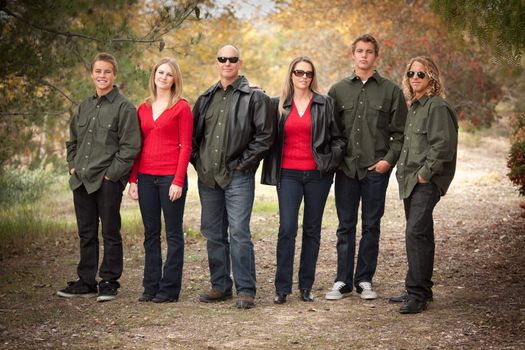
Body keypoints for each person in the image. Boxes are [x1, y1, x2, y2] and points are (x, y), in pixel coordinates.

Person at [325, 34, 408, 301]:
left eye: (369, 51)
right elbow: (330, 131)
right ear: (353, 55)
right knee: (345, 226)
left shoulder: (391, 91)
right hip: (347, 170)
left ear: (376, 56)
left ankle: (364, 280)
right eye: (359, 51)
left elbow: (400, 134)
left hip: (376, 171)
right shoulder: (337, 91)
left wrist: (388, 161)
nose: (364, 55)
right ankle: (342, 280)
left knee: (371, 225)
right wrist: (336, 160)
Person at [191, 44, 273, 309]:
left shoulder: (254, 97)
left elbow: (265, 136)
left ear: (240, 62)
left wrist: (243, 165)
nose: (227, 63)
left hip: (238, 176)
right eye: (222, 59)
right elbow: (193, 138)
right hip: (208, 178)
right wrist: (199, 163)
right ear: (217, 62)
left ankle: (246, 289)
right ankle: (220, 285)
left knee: (239, 232)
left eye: (232, 59)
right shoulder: (205, 98)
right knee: (213, 233)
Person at [262, 57, 345, 304]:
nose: (303, 77)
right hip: (287, 174)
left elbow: (339, 139)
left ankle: (306, 286)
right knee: (287, 229)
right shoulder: (278, 105)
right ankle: (282, 288)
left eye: (308, 73)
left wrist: (329, 162)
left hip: (317, 176)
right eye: (299, 72)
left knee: (312, 230)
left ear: (312, 76)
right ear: (291, 75)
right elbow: (266, 137)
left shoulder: (325, 103)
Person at [58, 52, 141, 302]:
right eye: (98, 71)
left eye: (107, 71)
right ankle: (86, 281)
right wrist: (72, 166)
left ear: (114, 75)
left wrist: (112, 176)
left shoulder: (124, 107)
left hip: (107, 182)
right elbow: (72, 141)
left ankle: (108, 281)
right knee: (86, 232)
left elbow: (130, 147)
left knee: (111, 231)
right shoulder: (84, 106)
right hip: (81, 180)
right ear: (92, 74)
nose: (102, 76)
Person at [389, 56, 458, 314]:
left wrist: (425, 174)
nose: (415, 78)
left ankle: (416, 296)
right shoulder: (415, 107)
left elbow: (443, 146)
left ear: (432, 77)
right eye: (411, 74)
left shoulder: (437, 107)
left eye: (421, 74)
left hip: (426, 181)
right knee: (422, 233)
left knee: (415, 233)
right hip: (410, 181)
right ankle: (421, 289)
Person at [128, 57, 193, 303]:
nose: (163, 77)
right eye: (160, 72)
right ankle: (150, 286)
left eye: (168, 74)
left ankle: (169, 289)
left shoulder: (181, 107)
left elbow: (186, 146)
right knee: (151, 233)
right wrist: (133, 180)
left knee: (174, 234)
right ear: (154, 75)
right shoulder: (142, 107)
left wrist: (178, 180)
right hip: (145, 177)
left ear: (175, 79)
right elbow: (138, 146)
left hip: (170, 178)